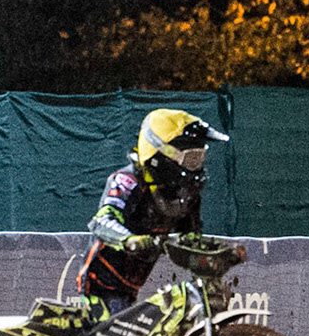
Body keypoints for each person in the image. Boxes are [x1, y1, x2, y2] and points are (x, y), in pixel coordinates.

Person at [77, 108, 228, 316]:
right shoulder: (128, 180)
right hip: (101, 284)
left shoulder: (186, 194)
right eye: (191, 158)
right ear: (161, 154)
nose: (196, 167)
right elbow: (102, 221)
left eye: (200, 158)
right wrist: (130, 240)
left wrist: (213, 261)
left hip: (131, 286)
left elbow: (190, 241)